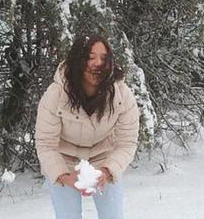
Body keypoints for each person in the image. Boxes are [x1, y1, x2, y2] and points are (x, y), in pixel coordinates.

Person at [35, 34, 140, 219]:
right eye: (91, 57)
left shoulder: (122, 95)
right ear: (78, 60)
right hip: (64, 161)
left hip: (103, 158)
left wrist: (107, 171)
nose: (97, 63)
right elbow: (46, 145)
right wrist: (63, 176)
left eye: (104, 58)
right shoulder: (55, 95)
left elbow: (127, 142)